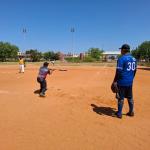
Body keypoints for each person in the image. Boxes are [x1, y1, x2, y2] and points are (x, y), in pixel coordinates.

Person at [111, 44, 137, 119]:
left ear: (123, 50)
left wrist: (115, 81)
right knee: (130, 97)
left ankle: (119, 113)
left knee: (120, 98)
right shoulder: (134, 59)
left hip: (122, 81)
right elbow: (135, 70)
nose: (120, 51)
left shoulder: (121, 59)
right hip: (130, 82)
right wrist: (131, 78)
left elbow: (118, 71)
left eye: (121, 49)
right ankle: (131, 112)